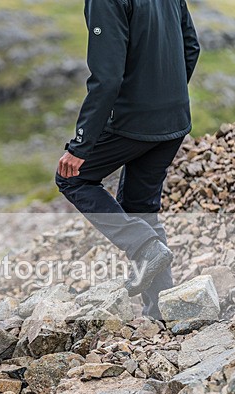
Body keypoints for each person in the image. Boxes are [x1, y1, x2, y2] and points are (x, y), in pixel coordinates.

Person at [55, 0, 200, 319]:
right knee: (140, 205)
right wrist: (164, 99)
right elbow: (191, 46)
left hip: (135, 121)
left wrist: (80, 145)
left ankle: (144, 247)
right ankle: (163, 310)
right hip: (174, 118)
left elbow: (106, 78)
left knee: (72, 177)